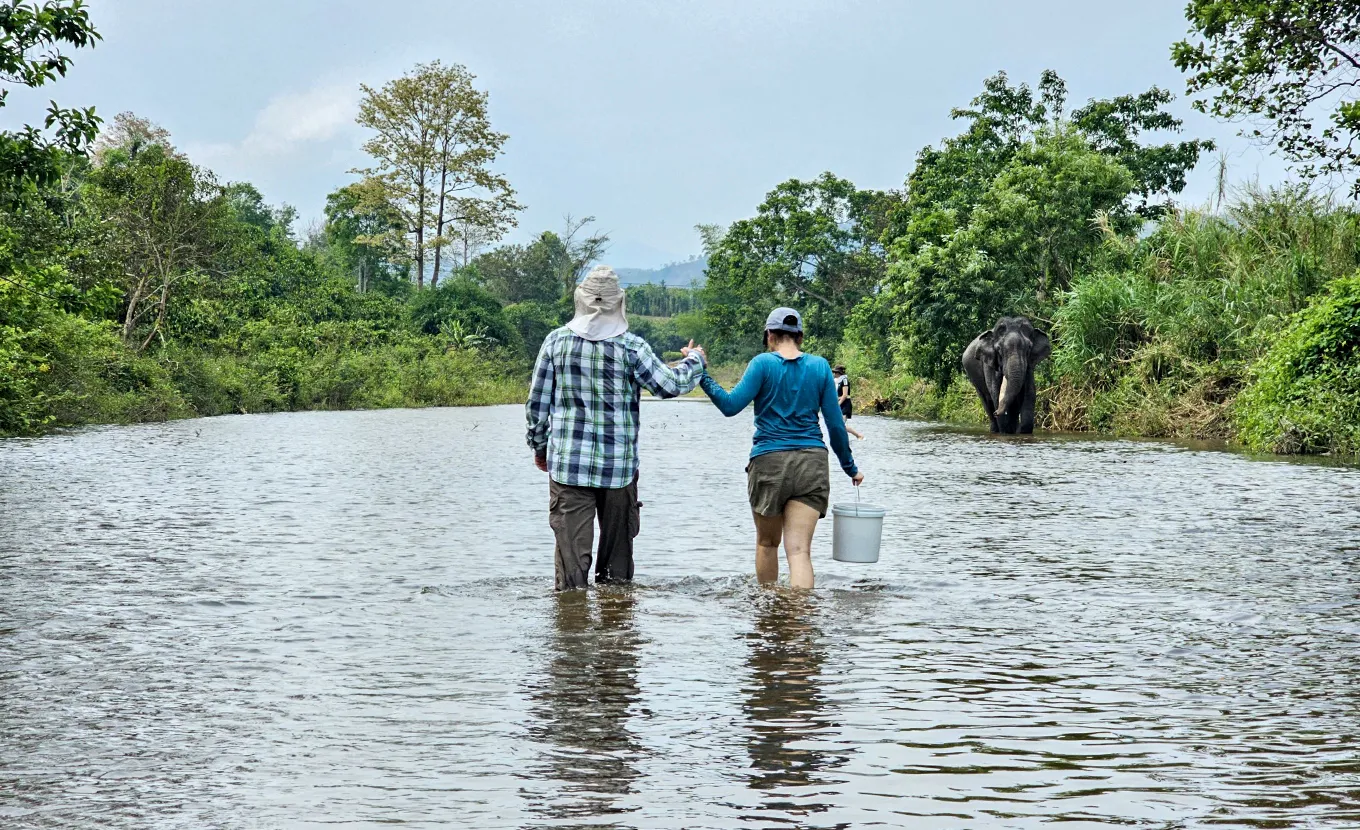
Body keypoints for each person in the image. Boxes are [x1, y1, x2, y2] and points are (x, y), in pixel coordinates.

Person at [526, 265, 707, 590]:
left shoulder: (555, 343)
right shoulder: (631, 347)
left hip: (568, 469)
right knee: (616, 576)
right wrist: (695, 359)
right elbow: (669, 385)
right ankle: (616, 635)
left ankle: (571, 632)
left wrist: (540, 450)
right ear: (617, 304)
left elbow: (536, 407)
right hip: (619, 471)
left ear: (581, 301)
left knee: (571, 577)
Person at [699, 307, 863, 589]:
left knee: (767, 543)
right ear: (799, 336)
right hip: (812, 463)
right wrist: (851, 467)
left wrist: (702, 374)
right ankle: (800, 623)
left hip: (769, 462)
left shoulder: (762, 364)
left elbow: (729, 405)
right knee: (799, 553)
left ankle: (769, 616)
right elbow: (835, 426)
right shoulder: (820, 367)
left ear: (769, 336)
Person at [833, 365, 864, 440]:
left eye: (835, 372)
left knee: (841, 425)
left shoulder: (844, 380)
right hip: (839, 404)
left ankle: (858, 435)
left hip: (845, 405)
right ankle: (843, 438)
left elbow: (845, 395)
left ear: (839, 373)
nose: (834, 374)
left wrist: (837, 404)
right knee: (837, 425)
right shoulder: (836, 381)